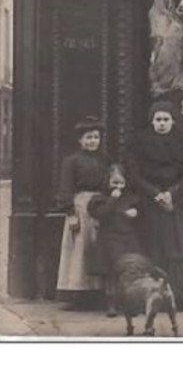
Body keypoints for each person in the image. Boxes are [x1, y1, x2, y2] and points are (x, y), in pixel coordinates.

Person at [128, 100, 183, 307]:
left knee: (178, 246)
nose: (162, 124)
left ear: (173, 121)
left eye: (166, 120)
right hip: (150, 202)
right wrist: (156, 194)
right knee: (154, 245)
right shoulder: (140, 142)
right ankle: (152, 296)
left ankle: (181, 296)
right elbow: (134, 174)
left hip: (176, 202)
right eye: (158, 120)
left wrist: (171, 194)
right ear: (152, 122)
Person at [56, 116, 109, 308]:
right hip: (80, 207)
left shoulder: (105, 160)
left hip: (100, 206)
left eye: (96, 137)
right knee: (79, 248)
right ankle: (77, 293)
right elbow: (65, 188)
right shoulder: (71, 161)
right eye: (88, 137)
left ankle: (96, 291)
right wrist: (70, 213)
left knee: (96, 247)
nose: (92, 141)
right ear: (80, 140)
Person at [87, 164, 142, 316]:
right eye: (114, 183)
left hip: (128, 237)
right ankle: (111, 303)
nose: (118, 186)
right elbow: (100, 214)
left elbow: (142, 217)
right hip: (109, 239)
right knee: (111, 272)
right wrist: (112, 199)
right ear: (107, 182)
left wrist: (135, 213)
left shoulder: (130, 198)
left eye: (121, 183)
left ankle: (129, 303)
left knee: (130, 270)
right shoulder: (99, 199)